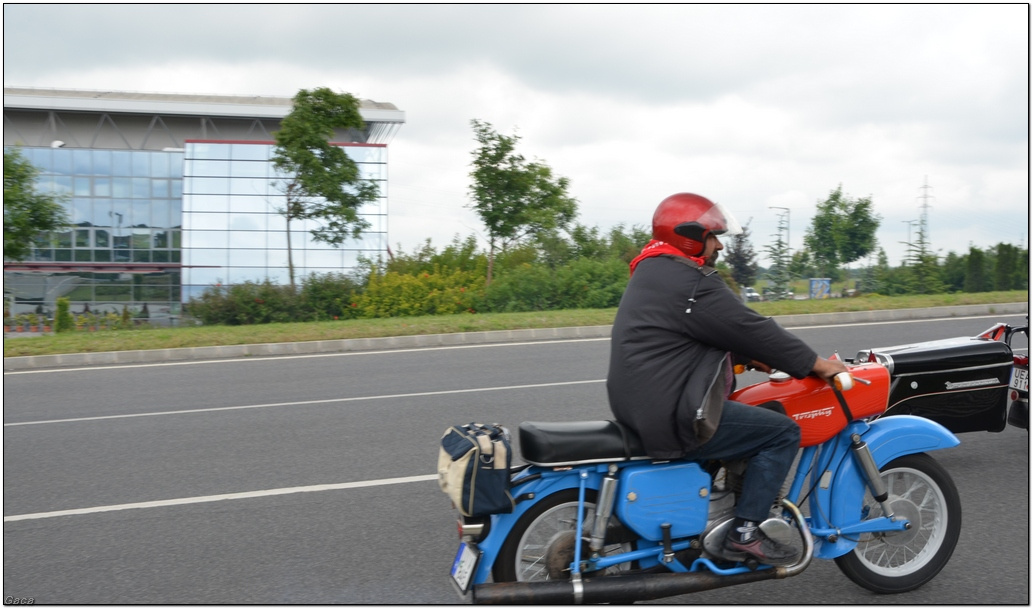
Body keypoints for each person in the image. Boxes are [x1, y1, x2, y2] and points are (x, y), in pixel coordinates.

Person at [607, 192, 848, 566]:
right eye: (713, 236)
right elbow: (750, 326)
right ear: (689, 236)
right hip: (670, 412)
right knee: (781, 431)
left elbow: (697, 333)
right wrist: (815, 364)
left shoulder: (655, 270)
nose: (719, 244)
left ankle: (715, 511)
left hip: (644, 402)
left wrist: (748, 357)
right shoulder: (689, 280)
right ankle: (745, 533)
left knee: (750, 419)